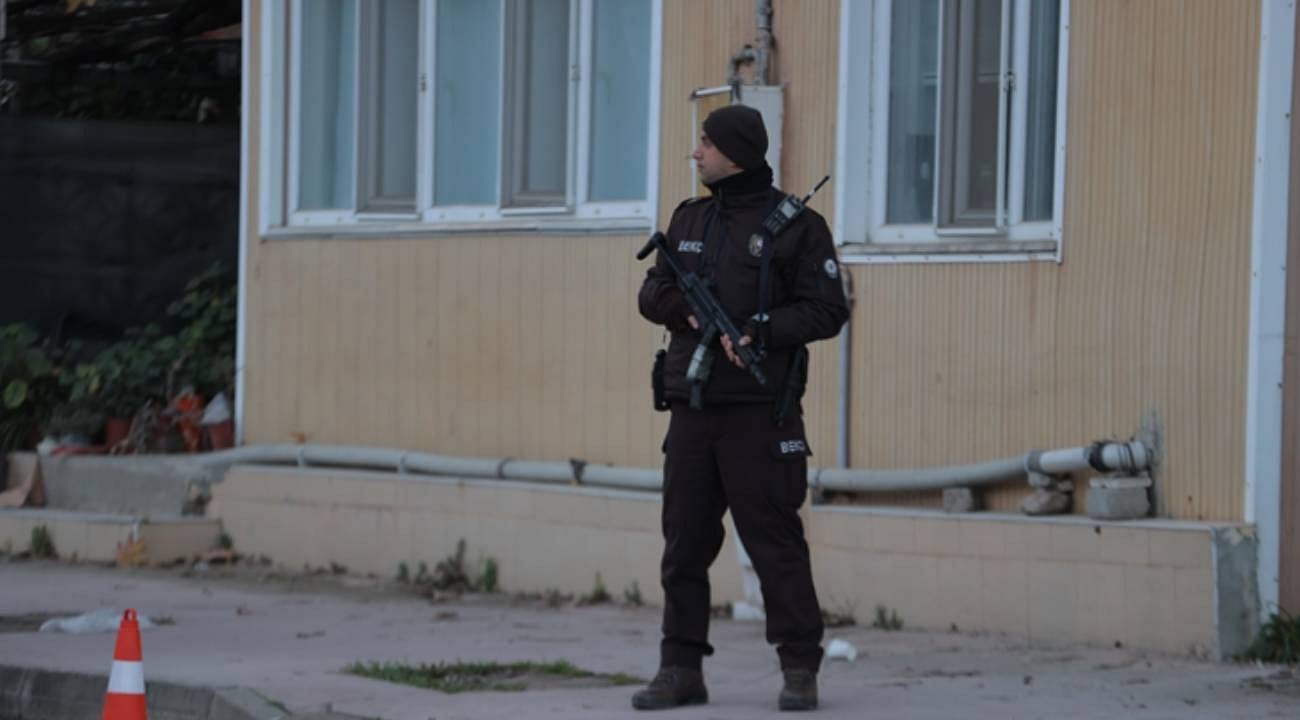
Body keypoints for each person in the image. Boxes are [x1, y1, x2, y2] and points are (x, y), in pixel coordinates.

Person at [633, 104, 850, 712]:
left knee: (776, 547)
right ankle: (680, 669)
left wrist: (762, 329)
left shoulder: (798, 227)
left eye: (706, 143)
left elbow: (827, 309)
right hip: (693, 411)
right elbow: (652, 290)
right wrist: (685, 310)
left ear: (736, 152)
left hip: (760, 415)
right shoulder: (689, 217)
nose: (696, 152)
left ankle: (800, 669)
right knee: (683, 547)